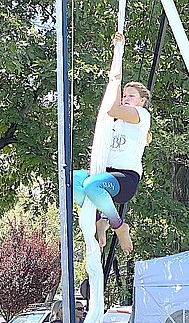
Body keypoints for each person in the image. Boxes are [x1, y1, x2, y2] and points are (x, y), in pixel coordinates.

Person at [73, 32, 151, 254]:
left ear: (142, 101)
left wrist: (116, 76)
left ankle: (118, 225)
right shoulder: (114, 124)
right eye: (125, 95)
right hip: (105, 176)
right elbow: (112, 114)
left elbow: (113, 108)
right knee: (73, 180)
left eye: (131, 96)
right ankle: (100, 218)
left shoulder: (141, 115)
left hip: (125, 179)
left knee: (91, 185)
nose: (126, 99)